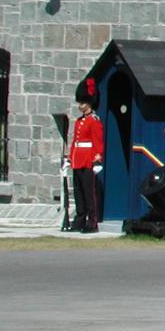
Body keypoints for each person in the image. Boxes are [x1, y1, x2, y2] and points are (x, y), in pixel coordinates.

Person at [68, 78, 104, 233]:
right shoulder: (78, 121)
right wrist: (70, 158)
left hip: (88, 160)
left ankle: (92, 222)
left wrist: (97, 158)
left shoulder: (94, 121)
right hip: (77, 159)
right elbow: (75, 141)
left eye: (83, 102)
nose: (80, 105)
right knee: (78, 192)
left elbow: (97, 141)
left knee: (89, 194)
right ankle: (80, 219)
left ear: (89, 103)